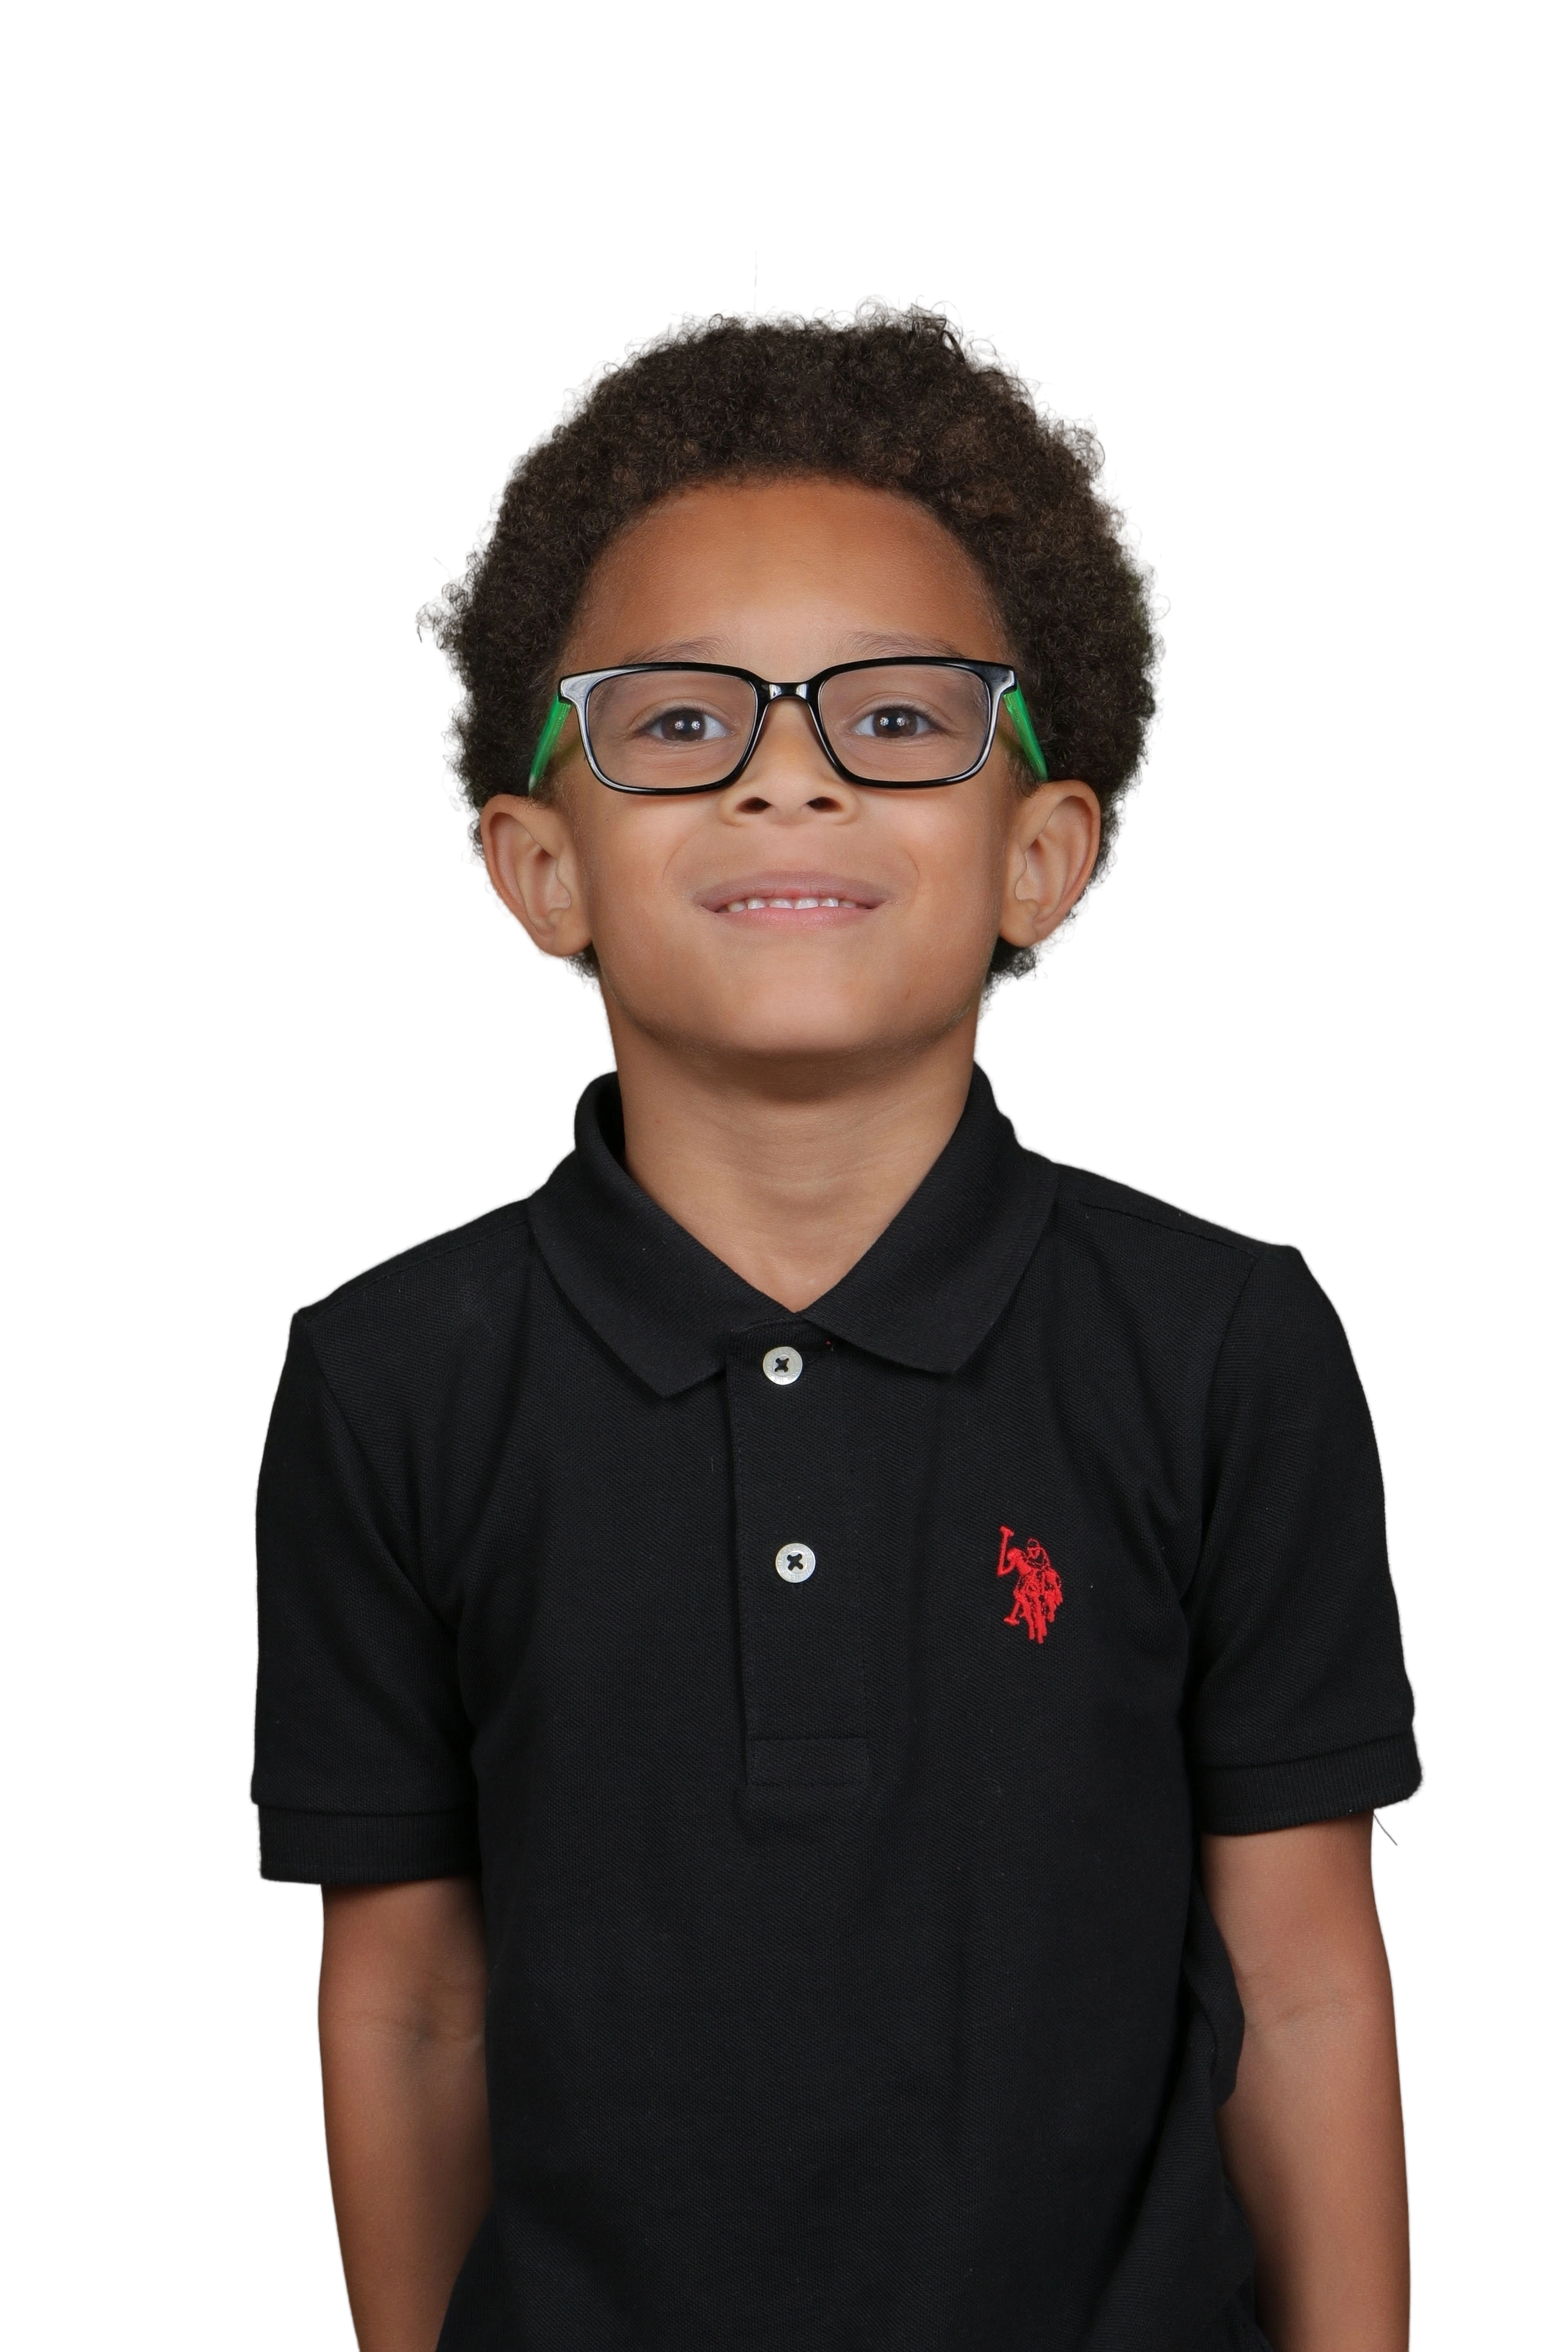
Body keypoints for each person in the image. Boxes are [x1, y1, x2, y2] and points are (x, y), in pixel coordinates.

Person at [250, 295, 1423, 2352]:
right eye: (678, 724)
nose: (787, 779)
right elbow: (410, 2000)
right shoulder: (391, 1378)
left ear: (1042, 854)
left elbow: (1309, 1979)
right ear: (538, 867)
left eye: (893, 720)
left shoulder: (1224, 1343)